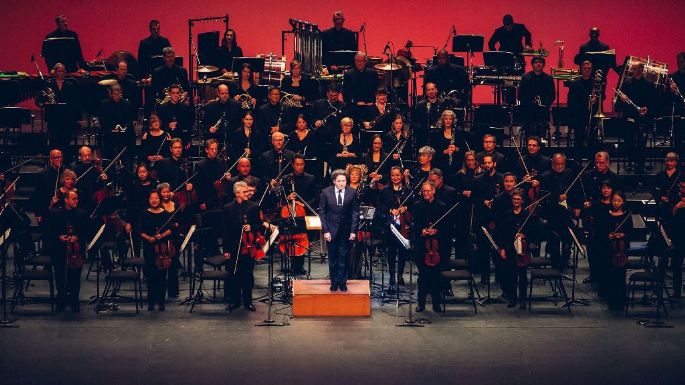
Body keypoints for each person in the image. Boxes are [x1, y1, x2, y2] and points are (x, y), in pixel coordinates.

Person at [222, 181, 268, 311]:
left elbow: (259, 225)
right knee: (234, 274)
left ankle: (248, 301)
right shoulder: (228, 208)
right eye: (245, 191)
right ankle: (235, 301)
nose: (248, 193)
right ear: (237, 194)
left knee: (248, 275)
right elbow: (225, 230)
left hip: (249, 247)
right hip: (233, 246)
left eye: (248, 191)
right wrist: (226, 250)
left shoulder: (254, 207)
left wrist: (251, 227)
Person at [45, 190, 90, 312]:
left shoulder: (82, 214)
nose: (76, 201)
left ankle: (75, 301)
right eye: (73, 199)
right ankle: (61, 301)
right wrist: (59, 237)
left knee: (75, 277)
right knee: (60, 276)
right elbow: (48, 231)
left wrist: (77, 237)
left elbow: (87, 232)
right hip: (59, 249)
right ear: (66, 200)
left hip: (76, 251)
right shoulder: (55, 213)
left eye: (77, 199)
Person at [318, 169, 360, 292]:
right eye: (339, 181)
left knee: (344, 257)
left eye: (344, 181)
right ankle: (334, 281)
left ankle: (342, 282)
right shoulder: (325, 192)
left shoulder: (352, 192)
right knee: (333, 257)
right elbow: (322, 213)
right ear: (334, 182)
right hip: (331, 231)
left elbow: (355, 213)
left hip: (346, 231)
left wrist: (353, 231)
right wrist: (325, 231)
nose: (342, 183)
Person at [412, 180, 448, 312]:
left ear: (433, 191)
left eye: (428, 191)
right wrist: (422, 230)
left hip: (437, 248)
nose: (426, 193)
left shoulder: (442, 206)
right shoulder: (417, 206)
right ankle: (421, 303)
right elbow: (414, 225)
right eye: (424, 191)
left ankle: (436, 303)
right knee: (422, 276)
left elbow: (447, 228)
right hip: (422, 246)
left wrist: (436, 231)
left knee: (436, 276)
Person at [595, 191, 633, 310]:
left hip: (621, 251)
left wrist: (623, 235)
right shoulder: (606, 215)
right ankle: (611, 301)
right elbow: (600, 232)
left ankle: (621, 301)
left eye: (619, 201)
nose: (616, 203)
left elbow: (630, 234)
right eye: (614, 201)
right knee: (609, 275)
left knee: (620, 277)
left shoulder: (627, 216)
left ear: (623, 202)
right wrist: (609, 236)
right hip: (608, 250)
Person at [616, 62, 655, 172]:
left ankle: (640, 164)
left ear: (641, 69)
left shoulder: (648, 84)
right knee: (629, 140)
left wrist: (647, 108)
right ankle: (630, 162)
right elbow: (619, 104)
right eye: (632, 68)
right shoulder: (627, 83)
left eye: (634, 68)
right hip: (630, 117)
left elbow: (653, 101)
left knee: (642, 140)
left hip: (643, 117)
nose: (632, 71)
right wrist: (622, 100)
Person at [138, 190, 174, 311]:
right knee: (150, 276)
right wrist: (149, 238)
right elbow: (140, 231)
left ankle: (161, 301)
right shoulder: (144, 213)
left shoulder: (165, 214)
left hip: (162, 248)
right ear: (148, 200)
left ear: (160, 200)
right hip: (149, 248)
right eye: (152, 198)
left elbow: (170, 230)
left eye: (156, 198)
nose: (154, 200)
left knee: (162, 276)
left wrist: (161, 236)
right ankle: (151, 302)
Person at [379, 166, 411, 290]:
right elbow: (380, 207)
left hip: (404, 225)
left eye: (398, 175)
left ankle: (400, 275)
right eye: (393, 175)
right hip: (390, 225)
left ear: (402, 176)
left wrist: (406, 208)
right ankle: (392, 276)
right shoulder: (386, 190)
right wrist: (390, 210)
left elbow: (413, 204)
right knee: (391, 252)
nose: (395, 178)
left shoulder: (407, 190)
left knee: (402, 252)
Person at [517, 56, 555, 138]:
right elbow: (520, 95)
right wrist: (530, 103)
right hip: (528, 111)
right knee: (528, 135)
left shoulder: (549, 79)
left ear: (543, 64)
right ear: (532, 64)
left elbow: (552, 96)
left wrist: (544, 104)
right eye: (536, 62)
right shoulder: (525, 78)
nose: (538, 64)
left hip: (543, 112)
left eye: (540, 62)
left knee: (542, 137)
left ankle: (542, 148)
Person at [97, 84, 137, 162]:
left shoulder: (127, 104)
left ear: (121, 92)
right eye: (115, 94)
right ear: (110, 94)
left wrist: (123, 127)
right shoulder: (104, 104)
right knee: (108, 154)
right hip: (109, 133)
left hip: (124, 133)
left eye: (119, 94)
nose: (117, 96)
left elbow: (131, 119)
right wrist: (112, 128)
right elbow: (102, 120)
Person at [567, 60, 598, 160]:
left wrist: (596, 99)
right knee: (578, 140)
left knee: (592, 141)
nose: (587, 70)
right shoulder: (575, 83)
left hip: (592, 116)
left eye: (589, 68)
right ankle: (577, 162)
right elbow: (570, 101)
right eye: (585, 68)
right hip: (578, 116)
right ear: (581, 69)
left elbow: (603, 96)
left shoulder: (596, 82)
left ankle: (591, 163)